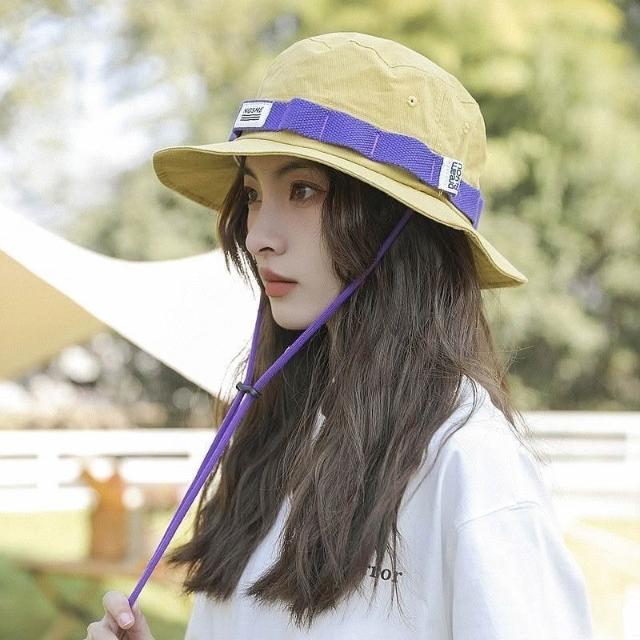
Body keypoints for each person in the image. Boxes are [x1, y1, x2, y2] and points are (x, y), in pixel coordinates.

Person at [84, 32, 595, 640]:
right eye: (252, 194)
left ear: (400, 228)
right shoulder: (271, 433)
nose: (257, 235)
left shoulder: (467, 462)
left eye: (302, 190)